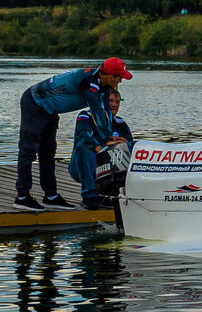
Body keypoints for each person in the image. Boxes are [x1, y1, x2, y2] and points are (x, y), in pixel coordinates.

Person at [15, 57, 131, 211]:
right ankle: (22, 197)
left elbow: (105, 113)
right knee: (28, 151)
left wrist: (109, 137)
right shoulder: (90, 84)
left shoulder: (101, 85)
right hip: (35, 102)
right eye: (120, 78)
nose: (120, 82)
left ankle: (50, 196)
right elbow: (97, 113)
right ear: (110, 77)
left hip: (50, 110)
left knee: (48, 152)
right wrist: (105, 142)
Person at [69, 90, 133, 210]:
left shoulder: (120, 122)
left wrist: (122, 143)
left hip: (109, 169)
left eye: (117, 102)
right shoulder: (86, 116)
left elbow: (129, 142)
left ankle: (114, 194)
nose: (114, 105)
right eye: (110, 101)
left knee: (130, 147)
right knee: (83, 145)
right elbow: (84, 135)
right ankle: (89, 196)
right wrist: (106, 145)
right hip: (84, 166)